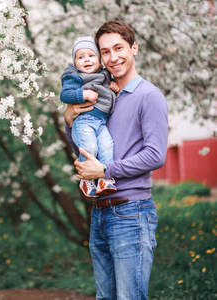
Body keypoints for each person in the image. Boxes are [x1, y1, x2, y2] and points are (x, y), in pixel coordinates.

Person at [64, 21, 168, 299]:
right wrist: (68, 121)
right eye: (105, 51)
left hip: (131, 213)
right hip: (100, 211)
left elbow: (156, 155)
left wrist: (105, 169)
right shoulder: (103, 95)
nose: (113, 57)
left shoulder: (149, 96)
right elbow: (85, 148)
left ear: (134, 48)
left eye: (119, 48)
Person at [60, 36, 119, 198]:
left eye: (91, 55)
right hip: (84, 121)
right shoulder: (75, 76)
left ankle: (104, 180)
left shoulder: (103, 74)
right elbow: (65, 94)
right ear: (75, 62)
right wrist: (83, 94)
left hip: (100, 123)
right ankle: (85, 180)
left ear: (100, 60)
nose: (86, 60)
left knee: (107, 147)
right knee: (90, 148)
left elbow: (105, 85)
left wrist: (111, 84)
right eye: (80, 57)